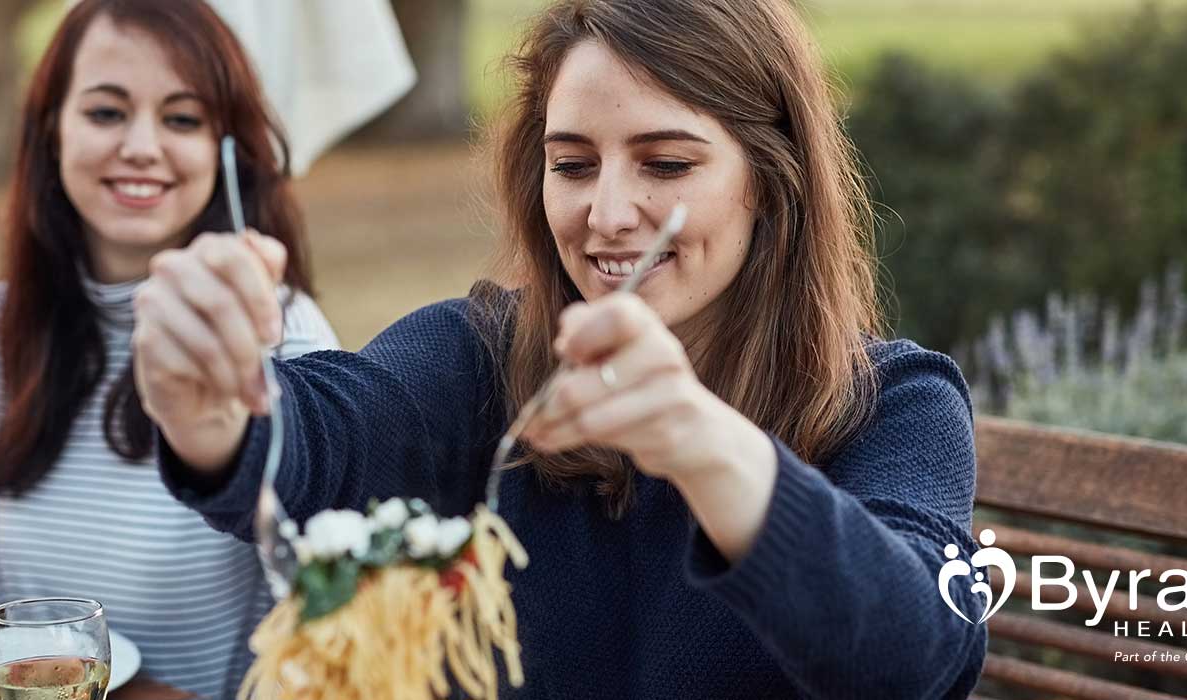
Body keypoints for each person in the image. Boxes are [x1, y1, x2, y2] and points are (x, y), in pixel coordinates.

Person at [135, 0, 986, 696]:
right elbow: (323, 434)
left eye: (665, 164)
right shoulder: (481, 358)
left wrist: (702, 443)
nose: (608, 215)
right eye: (573, 165)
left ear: (769, 180)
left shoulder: (896, 406)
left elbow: (915, 657)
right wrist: (208, 408)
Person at [0, 1, 338, 696]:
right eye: (106, 112)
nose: (140, 146)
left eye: (182, 119)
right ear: (50, 130)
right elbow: (3, 614)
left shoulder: (283, 334)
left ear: (229, 149)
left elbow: (315, 620)